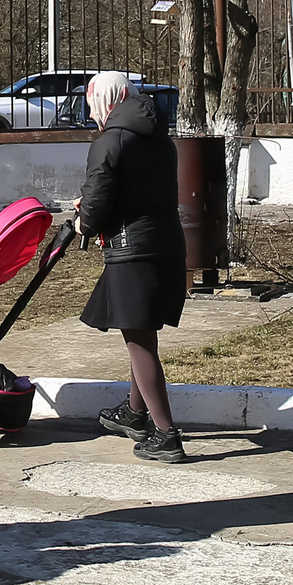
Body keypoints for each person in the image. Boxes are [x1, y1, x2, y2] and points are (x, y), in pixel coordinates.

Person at [77, 71, 192, 464]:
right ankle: (135, 413)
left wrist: (83, 223)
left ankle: (166, 434)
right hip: (168, 244)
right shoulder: (161, 140)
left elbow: (97, 196)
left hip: (131, 249)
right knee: (142, 333)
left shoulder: (110, 140)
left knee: (138, 340)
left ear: (104, 100)